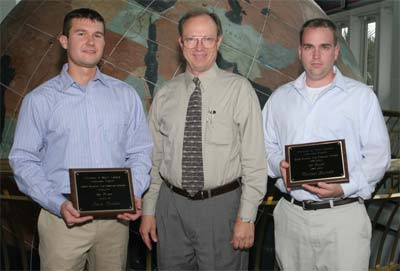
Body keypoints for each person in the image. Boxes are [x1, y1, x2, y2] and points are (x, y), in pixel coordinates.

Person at [8, 8, 152, 270]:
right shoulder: (39, 100)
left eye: (98, 35)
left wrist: (133, 192)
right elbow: (23, 159)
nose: (90, 41)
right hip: (62, 219)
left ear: (104, 43)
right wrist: (57, 203)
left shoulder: (126, 96)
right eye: (81, 33)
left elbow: (140, 151)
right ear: (64, 41)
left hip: (115, 223)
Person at [139, 9, 267, 270]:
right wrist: (149, 209)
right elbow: (155, 158)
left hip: (222, 209)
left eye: (207, 39)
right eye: (191, 39)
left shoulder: (240, 90)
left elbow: (255, 161)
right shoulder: (165, 94)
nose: (199, 47)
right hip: (170, 208)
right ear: (180, 43)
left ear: (218, 42)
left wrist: (247, 216)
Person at [262, 18, 391, 271]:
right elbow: (263, 145)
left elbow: (378, 156)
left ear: (336, 51)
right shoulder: (280, 98)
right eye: (309, 47)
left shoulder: (361, 97)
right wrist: (279, 165)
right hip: (292, 217)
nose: (316, 55)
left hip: (342, 217)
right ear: (300, 52)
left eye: (324, 46)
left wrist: (344, 187)